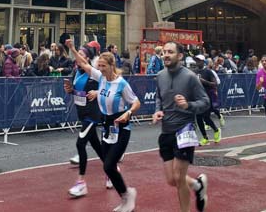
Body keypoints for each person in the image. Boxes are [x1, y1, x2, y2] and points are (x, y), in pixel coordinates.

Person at [66, 38, 140, 212]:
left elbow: (136, 102)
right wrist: (72, 48)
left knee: (108, 166)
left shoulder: (121, 83)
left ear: (111, 66)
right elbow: (84, 65)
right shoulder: (101, 78)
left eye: (103, 66)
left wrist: (127, 114)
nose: (99, 69)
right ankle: (125, 200)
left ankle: (128, 194)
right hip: (107, 127)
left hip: (121, 128)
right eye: (98, 66)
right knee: (109, 165)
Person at [152, 42, 209, 212]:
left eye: (170, 52)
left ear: (180, 56)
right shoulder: (160, 75)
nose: (166, 55)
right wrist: (157, 111)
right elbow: (158, 98)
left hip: (184, 130)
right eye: (164, 52)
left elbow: (205, 102)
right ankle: (198, 185)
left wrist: (188, 105)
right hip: (166, 131)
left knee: (179, 177)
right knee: (172, 180)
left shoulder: (191, 77)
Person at [64, 43, 103, 198]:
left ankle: (81, 184)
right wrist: (70, 90)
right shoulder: (76, 72)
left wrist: (98, 92)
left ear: (87, 58)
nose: (77, 57)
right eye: (77, 53)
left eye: (81, 54)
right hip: (82, 113)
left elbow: (108, 88)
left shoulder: (94, 72)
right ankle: (112, 170)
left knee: (80, 143)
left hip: (92, 115)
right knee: (98, 147)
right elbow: (77, 91)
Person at [194, 54, 221, 145]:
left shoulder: (208, 72)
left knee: (206, 118)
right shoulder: (195, 71)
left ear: (203, 62)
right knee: (198, 118)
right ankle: (205, 137)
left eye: (199, 60)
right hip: (197, 97)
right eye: (196, 60)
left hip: (207, 97)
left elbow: (215, 83)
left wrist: (204, 81)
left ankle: (216, 130)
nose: (197, 62)